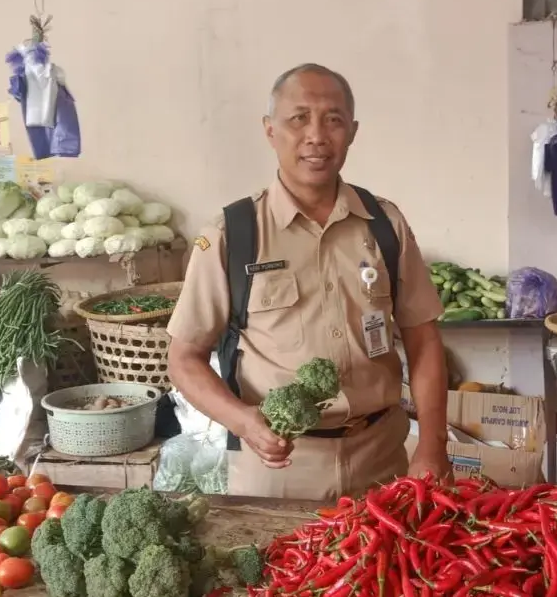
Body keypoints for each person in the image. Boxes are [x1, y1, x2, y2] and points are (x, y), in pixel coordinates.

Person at [166, 63, 451, 500]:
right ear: (270, 130)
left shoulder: (384, 223)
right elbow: (184, 358)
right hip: (277, 468)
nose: (316, 135)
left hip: (382, 459)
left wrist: (432, 444)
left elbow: (423, 339)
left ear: (352, 132)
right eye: (298, 118)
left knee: (382, 570)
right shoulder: (232, 234)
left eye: (333, 120)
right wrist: (244, 422)